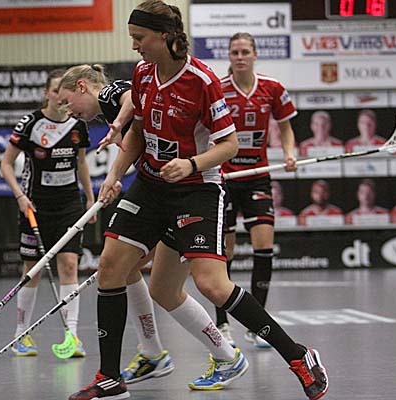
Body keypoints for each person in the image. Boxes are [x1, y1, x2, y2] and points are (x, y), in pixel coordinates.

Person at [68, 4, 328, 400]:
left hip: (196, 189)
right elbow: (138, 131)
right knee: (113, 269)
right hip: (151, 186)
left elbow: (229, 145)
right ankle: (110, 377)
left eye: (140, 38)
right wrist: (115, 174)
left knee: (212, 285)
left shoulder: (202, 81)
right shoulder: (142, 73)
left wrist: (191, 163)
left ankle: (298, 355)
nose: (135, 46)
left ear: (165, 36)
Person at [60, 64, 239, 385]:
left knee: (186, 285)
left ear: (83, 87)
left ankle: (222, 353)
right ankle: (154, 352)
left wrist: (118, 124)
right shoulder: (108, 109)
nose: (69, 110)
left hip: (186, 193)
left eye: (67, 101)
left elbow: (132, 97)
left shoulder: (110, 95)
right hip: (159, 191)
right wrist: (116, 175)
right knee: (133, 273)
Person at [0, 69, 95, 358]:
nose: (60, 98)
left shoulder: (78, 125)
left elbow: (81, 164)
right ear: (47, 93)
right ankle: (21, 335)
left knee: (69, 265)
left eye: (63, 92)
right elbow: (6, 163)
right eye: (55, 91)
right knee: (33, 270)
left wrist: (90, 199)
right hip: (35, 206)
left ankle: (72, 336)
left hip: (69, 205)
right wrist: (20, 196)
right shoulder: (30, 123)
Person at [216, 31, 299, 349]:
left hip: (258, 176)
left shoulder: (272, 87)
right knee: (225, 252)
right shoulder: (218, 89)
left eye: (245, 52)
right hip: (225, 178)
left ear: (254, 55)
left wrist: (289, 154)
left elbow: (285, 127)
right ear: (229, 56)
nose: (240, 57)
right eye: (235, 52)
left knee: (264, 244)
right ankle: (223, 324)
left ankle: (258, 325)